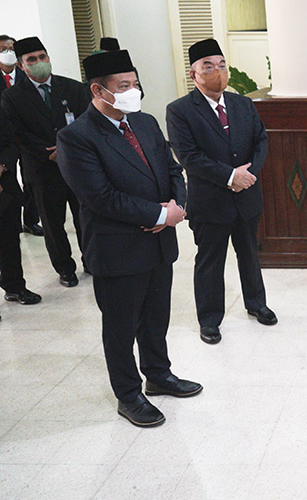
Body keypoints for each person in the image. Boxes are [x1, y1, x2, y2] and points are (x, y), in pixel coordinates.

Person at [56, 49, 202, 427]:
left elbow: (173, 170)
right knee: (120, 327)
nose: (133, 92)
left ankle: (158, 374)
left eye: (135, 84)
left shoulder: (145, 122)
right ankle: (128, 394)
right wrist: (159, 214)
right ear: (98, 90)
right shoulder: (76, 137)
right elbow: (100, 197)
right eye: (123, 86)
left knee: (156, 317)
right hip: (117, 248)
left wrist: (176, 205)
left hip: (158, 243)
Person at [166, 38, 276, 345]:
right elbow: (188, 156)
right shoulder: (180, 111)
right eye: (208, 67)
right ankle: (210, 319)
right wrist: (230, 176)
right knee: (210, 261)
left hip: (247, 196)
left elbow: (261, 140)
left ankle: (256, 303)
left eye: (221, 65)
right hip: (210, 201)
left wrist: (248, 175)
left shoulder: (243, 104)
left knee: (249, 254)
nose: (218, 71)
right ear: (194, 74)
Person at [1, 37, 89, 287]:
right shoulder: (12, 97)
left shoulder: (72, 88)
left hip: (77, 165)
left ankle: (91, 260)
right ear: (21, 65)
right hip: (42, 169)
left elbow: (86, 121)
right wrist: (46, 151)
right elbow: (17, 133)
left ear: (49, 58)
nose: (39, 62)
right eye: (32, 59)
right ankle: (65, 268)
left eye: (42, 57)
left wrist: (67, 148)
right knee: (52, 223)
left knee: (85, 217)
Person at [0, 35, 42, 237]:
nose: (7, 52)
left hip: (25, 135)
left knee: (30, 179)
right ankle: (12, 218)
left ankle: (31, 220)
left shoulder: (27, 75)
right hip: (5, 139)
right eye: (3, 49)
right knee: (9, 178)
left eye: (11, 49)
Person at [0, 101, 41, 308]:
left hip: (4, 187)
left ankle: (14, 286)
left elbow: (11, 142)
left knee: (9, 241)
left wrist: (3, 165)